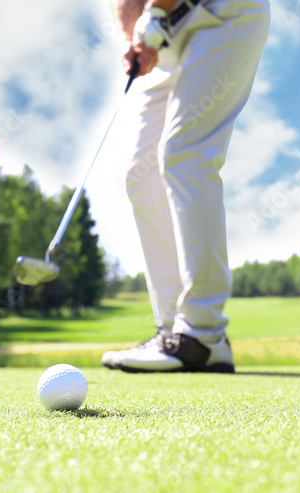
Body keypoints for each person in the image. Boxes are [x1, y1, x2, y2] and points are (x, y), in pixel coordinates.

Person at [100, 0, 270, 373]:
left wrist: (155, 12)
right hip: (167, 40)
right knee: (141, 176)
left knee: (184, 154)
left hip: (222, 14)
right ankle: (173, 331)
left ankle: (201, 332)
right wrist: (136, 38)